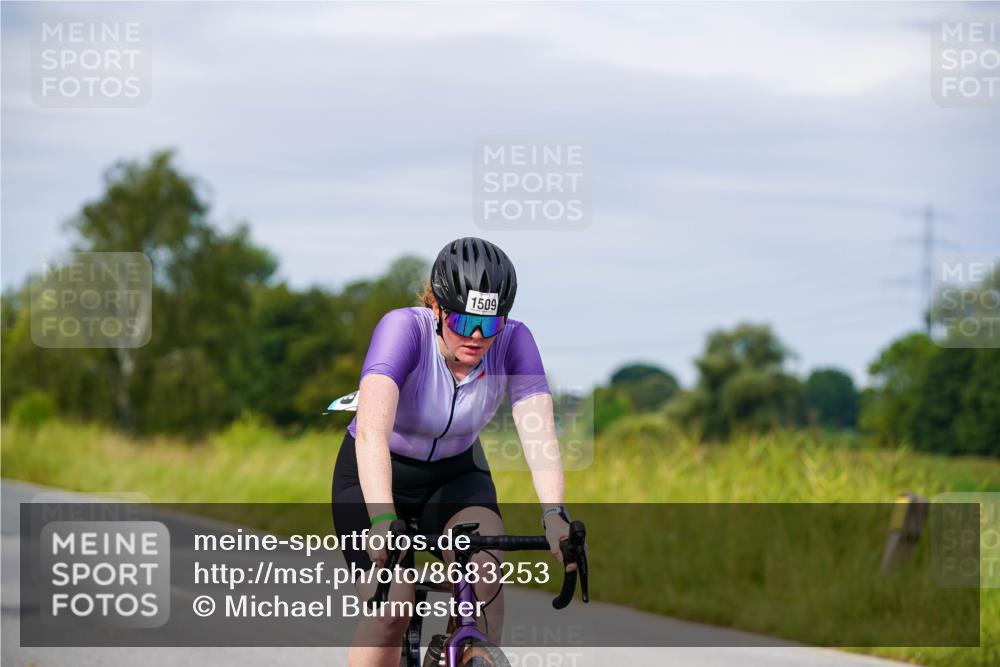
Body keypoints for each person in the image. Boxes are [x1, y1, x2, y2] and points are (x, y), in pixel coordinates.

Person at [331, 237, 573, 667]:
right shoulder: (403, 330)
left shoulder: (515, 342)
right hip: (376, 471)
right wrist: (383, 518)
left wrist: (555, 514)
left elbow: (539, 436)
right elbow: (371, 433)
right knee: (393, 608)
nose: (478, 336)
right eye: (463, 320)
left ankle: (463, 651)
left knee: (483, 585)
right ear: (437, 307)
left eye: (491, 323)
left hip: (455, 474)